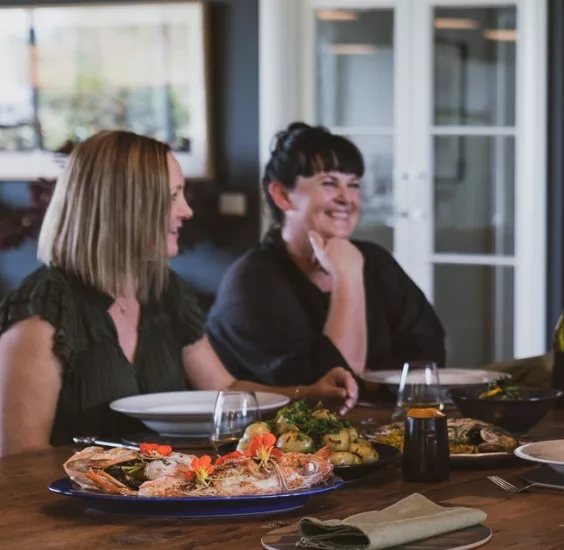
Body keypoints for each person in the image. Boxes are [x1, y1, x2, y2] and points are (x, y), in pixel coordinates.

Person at [0, 130, 358, 458]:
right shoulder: (43, 307)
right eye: (173, 196)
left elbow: (225, 388)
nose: (186, 210)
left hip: (159, 502)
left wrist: (309, 393)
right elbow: (20, 459)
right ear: (122, 206)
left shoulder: (165, 290)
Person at [205, 123, 445, 387]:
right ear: (282, 195)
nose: (347, 198)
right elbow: (329, 389)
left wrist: (373, 381)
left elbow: (429, 354)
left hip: (376, 424)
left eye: (353, 185)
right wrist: (348, 276)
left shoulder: (376, 261)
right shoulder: (251, 282)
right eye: (329, 183)